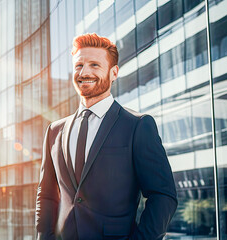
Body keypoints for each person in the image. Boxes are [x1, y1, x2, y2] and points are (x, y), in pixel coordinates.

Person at [35, 33, 177, 240]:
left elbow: (163, 196)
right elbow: (46, 196)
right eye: (79, 65)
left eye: (94, 65)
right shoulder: (54, 131)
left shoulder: (138, 125)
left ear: (114, 73)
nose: (84, 72)